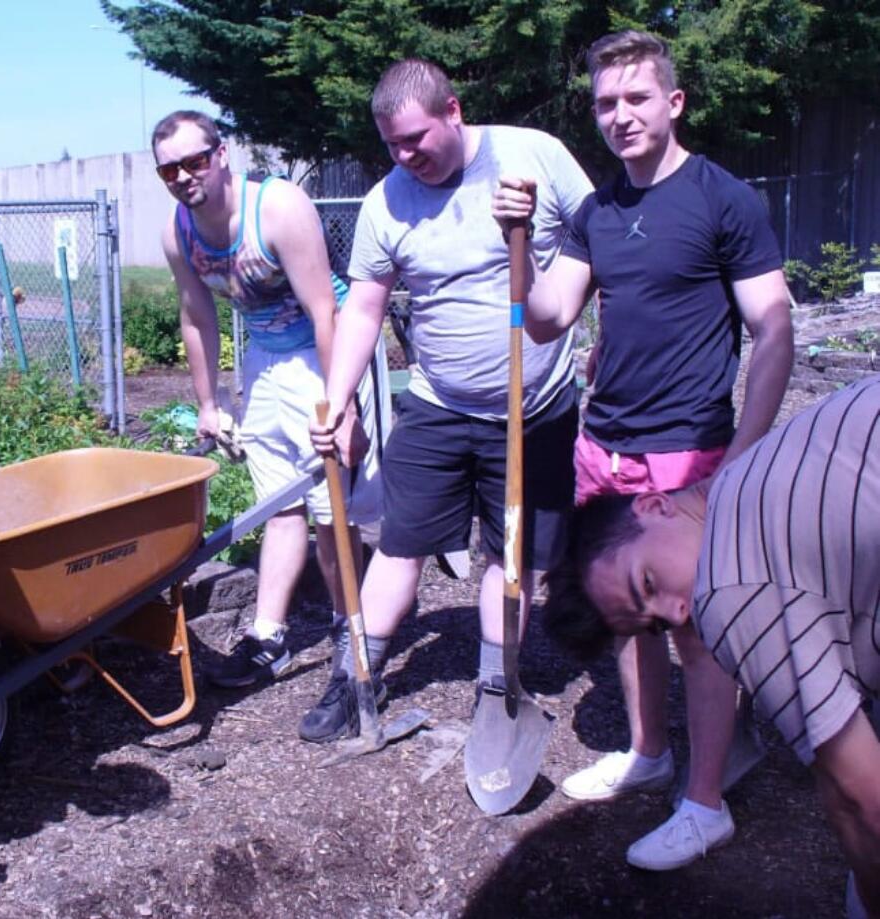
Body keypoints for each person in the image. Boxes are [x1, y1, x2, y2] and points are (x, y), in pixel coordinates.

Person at [493, 29, 794, 869]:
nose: (619, 116)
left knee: (698, 628)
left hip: (688, 453)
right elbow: (547, 315)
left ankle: (705, 804)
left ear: (673, 102)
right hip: (605, 444)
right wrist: (515, 243)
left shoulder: (723, 200)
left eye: (634, 98)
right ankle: (647, 751)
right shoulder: (598, 212)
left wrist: (743, 455)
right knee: (627, 610)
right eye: (603, 103)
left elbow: (775, 329)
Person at [304, 59, 592, 742]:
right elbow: (366, 308)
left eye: (416, 139)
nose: (407, 157)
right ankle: (357, 676)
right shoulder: (386, 201)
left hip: (535, 404)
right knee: (399, 545)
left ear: (453, 111)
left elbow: (594, 240)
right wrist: (338, 399)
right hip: (438, 403)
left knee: (510, 554)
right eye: (392, 146)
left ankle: (498, 686)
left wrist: (602, 331)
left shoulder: (535, 156)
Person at [545, 373, 880, 918]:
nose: (678, 615)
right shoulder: (750, 471)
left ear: (653, 505)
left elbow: (861, 800)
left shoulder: (728, 589)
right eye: (654, 626)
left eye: (647, 584)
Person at [153, 111, 382, 689]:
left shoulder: (277, 207)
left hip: (323, 356)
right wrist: (208, 402)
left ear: (221, 154)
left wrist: (344, 404)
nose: (184, 176)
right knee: (278, 504)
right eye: (169, 169)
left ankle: (349, 629)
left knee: (331, 510)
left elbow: (326, 310)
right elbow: (196, 314)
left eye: (194, 160)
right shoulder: (177, 231)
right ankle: (268, 636)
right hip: (264, 360)